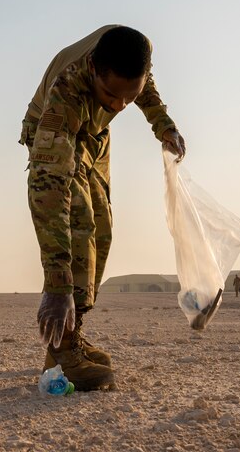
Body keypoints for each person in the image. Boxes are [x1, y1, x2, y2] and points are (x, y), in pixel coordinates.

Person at [20, 25, 186, 391]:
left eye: (128, 98)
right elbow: (48, 194)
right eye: (111, 94)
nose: (118, 105)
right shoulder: (64, 98)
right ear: (93, 68)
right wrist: (57, 285)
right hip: (61, 134)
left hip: (93, 138)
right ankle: (64, 345)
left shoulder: (135, 55)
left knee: (102, 227)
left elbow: (146, 88)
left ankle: (68, 337)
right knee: (79, 223)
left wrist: (164, 125)